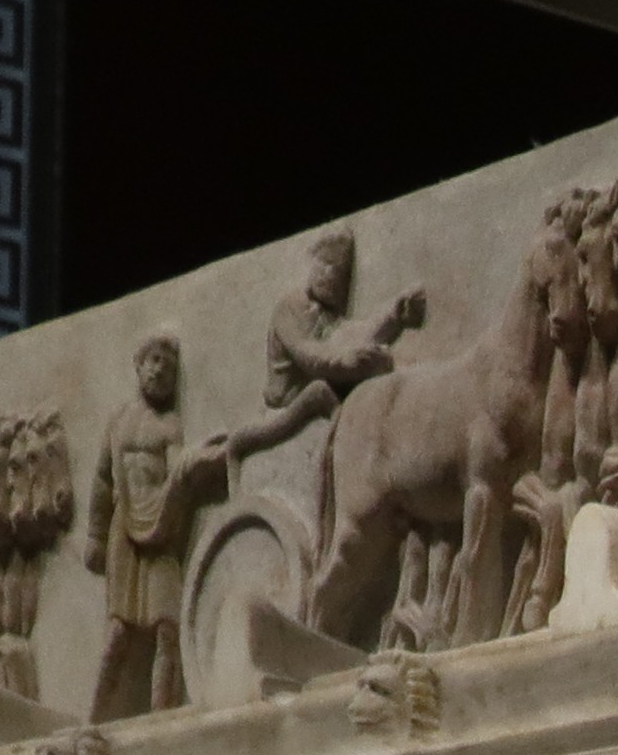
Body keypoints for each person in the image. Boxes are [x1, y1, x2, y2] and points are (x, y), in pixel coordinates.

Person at [80, 337, 232, 724]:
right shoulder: (118, 421)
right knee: (117, 631)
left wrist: (208, 456)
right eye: (155, 360)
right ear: (139, 365)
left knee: (168, 625)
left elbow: (179, 469)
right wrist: (95, 534)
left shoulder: (169, 426)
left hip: (160, 525)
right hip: (123, 531)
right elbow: (102, 481)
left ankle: (162, 715)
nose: (161, 370)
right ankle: (93, 720)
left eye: (169, 367)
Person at [261, 227, 423, 437]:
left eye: (339, 270)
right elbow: (310, 354)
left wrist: (394, 314)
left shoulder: (328, 313)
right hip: (289, 412)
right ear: (312, 262)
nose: (329, 274)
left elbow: (353, 334)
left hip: (320, 402)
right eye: (325, 262)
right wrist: (345, 359)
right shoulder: (291, 306)